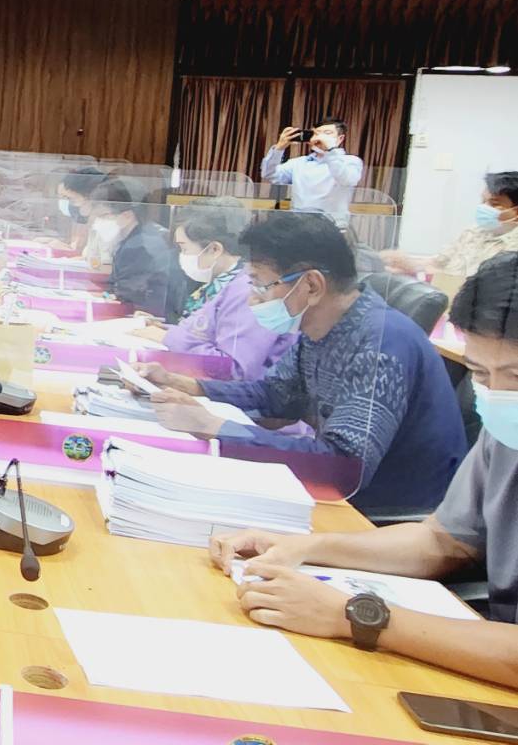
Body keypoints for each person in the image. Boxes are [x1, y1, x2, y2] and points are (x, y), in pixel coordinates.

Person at [206, 253, 518, 686]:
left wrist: (355, 615)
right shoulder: (505, 430)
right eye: (481, 375)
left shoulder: (382, 343)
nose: (498, 393)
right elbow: (444, 541)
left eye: (515, 376)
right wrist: (305, 546)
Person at [141, 211, 466, 511]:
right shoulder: (321, 328)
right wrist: (188, 385)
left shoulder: (381, 345)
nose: (252, 298)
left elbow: (343, 466)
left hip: (382, 514)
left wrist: (213, 426)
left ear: (311, 285)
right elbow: (276, 394)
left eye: (260, 284)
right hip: (338, 495)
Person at [130, 199, 294, 380]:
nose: (180, 256)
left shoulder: (247, 290)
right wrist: (163, 328)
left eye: (184, 248)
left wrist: (167, 337)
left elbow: (234, 369)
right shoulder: (220, 284)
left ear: (215, 249)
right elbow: (205, 331)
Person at [82, 177, 185, 320]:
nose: (97, 222)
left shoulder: (140, 246)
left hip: (150, 318)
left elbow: (127, 295)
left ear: (127, 215)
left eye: (103, 216)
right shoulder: (136, 237)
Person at [382, 171, 518, 279]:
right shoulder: (474, 232)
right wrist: (406, 263)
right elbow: (440, 262)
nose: (484, 207)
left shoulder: (513, 249)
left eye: (494, 204)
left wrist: (423, 273)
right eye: (483, 201)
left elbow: (477, 286)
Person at [262, 117, 365, 225]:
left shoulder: (350, 161)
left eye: (327, 133)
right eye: (316, 133)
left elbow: (347, 180)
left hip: (333, 225)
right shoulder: (298, 162)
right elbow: (269, 174)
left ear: (340, 139)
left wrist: (331, 149)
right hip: (298, 223)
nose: (320, 137)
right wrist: (279, 149)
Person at [48, 167, 112, 264]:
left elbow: (102, 265)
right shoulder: (95, 223)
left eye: (70, 199)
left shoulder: (108, 227)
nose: (71, 205)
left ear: (90, 197)